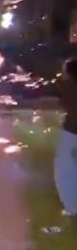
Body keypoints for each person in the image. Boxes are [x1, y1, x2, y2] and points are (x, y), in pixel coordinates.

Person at [55, 57, 77, 222]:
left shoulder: (69, 86)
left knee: (65, 169)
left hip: (72, 131)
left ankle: (72, 206)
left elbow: (65, 101)